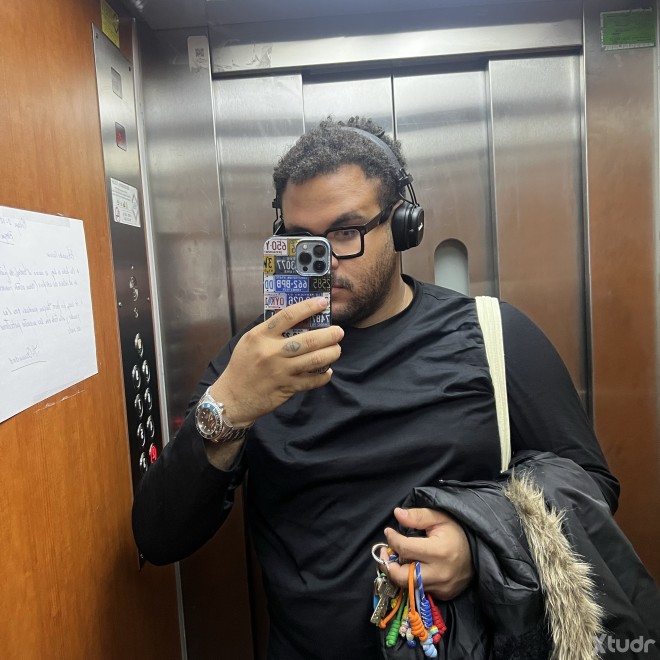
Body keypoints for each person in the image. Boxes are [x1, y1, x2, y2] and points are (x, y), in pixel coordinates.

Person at [132, 117, 628, 659]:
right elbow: (159, 537)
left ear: (402, 224)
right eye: (301, 239)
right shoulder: (256, 360)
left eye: (346, 232)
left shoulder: (494, 336)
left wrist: (483, 545)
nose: (325, 260)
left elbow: (593, 487)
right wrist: (228, 409)